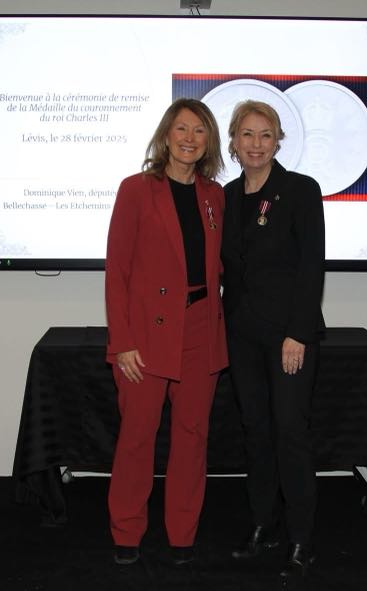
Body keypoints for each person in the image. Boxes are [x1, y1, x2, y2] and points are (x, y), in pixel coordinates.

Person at [104, 98, 227, 567]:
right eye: (182, 128)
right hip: (146, 334)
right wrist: (123, 343)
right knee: (137, 434)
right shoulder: (135, 190)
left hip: (200, 327)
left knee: (192, 437)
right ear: (166, 134)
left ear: (208, 141)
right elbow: (117, 272)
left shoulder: (214, 195)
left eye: (200, 131)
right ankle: (127, 529)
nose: (190, 138)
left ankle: (181, 533)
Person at [220, 100, 325, 583]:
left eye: (265, 135)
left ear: (278, 140)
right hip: (241, 336)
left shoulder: (301, 191)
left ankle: (301, 537)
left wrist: (297, 333)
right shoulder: (225, 196)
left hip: (289, 339)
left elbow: (310, 267)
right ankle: (264, 524)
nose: (256, 144)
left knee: (290, 435)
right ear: (234, 142)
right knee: (256, 433)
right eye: (247, 135)